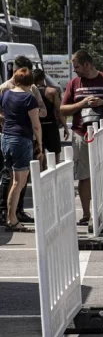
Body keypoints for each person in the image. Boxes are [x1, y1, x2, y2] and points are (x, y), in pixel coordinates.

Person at [60, 50, 103, 226]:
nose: (75, 70)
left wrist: (102, 103)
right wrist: (82, 103)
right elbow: (63, 109)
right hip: (81, 134)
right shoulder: (74, 83)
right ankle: (86, 214)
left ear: (87, 64)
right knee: (84, 176)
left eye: (77, 67)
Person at [0, 56, 48, 225]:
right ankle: (11, 218)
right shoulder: (28, 98)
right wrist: (40, 145)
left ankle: (10, 214)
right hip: (21, 139)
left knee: (13, 179)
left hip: (6, 138)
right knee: (18, 182)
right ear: (29, 82)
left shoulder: (5, 95)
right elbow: (36, 125)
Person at [33, 69, 69, 165]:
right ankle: (55, 175)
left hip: (36, 126)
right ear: (43, 78)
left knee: (40, 155)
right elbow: (59, 111)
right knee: (55, 155)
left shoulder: (30, 92)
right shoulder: (51, 91)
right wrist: (65, 127)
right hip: (51, 126)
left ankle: (40, 177)